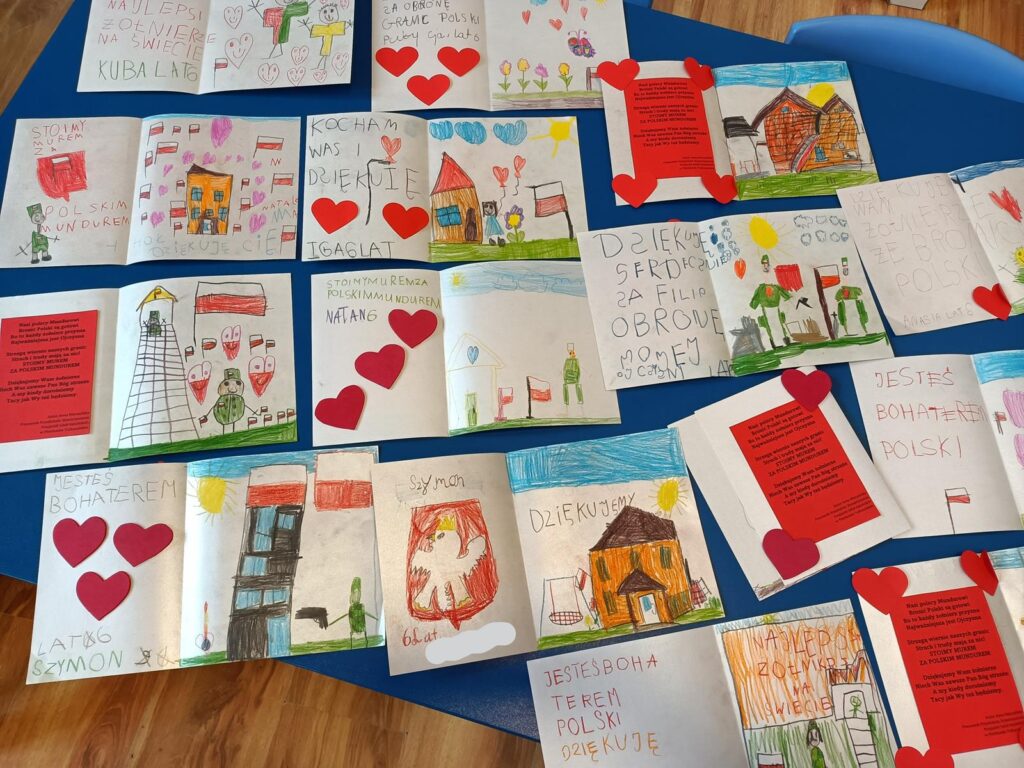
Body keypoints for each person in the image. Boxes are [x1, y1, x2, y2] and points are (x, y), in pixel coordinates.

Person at [206, 368, 257, 434]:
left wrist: (253, 411)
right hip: (223, 416)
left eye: (237, 383)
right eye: (227, 384)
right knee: (225, 426)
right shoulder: (222, 398)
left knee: (233, 424)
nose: (232, 388)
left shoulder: (239, 399)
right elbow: (215, 406)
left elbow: (244, 406)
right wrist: (207, 415)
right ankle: (224, 434)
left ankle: (232, 432)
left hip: (234, 415)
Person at [305, 2, 349, 70]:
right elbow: (313, 31)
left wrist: (349, 25)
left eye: (331, 10)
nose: (328, 15)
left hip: (333, 48)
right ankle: (320, 67)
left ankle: (321, 67)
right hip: (324, 47)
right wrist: (306, 25)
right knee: (324, 56)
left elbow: (343, 27)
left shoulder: (335, 27)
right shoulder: (322, 28)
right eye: (324, 12)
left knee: (325, 56)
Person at [562, 344, 583, 408]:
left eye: (574, 353)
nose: (574, 354)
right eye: (573, 353)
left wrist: (578, 378)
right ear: (570, 354)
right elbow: (564, 370)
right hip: (568, 378)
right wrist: (565, 378)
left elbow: (578, 370)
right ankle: (566, 401)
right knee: (565, 385)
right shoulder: (567, 360)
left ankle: (580, 400)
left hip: (574, 378)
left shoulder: (576, 360)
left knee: (578, 385)